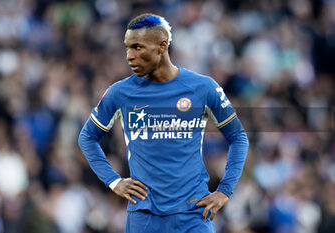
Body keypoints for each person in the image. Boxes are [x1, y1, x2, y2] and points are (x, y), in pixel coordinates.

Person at [78, 13, 249, 233]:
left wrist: (225, 190)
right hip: (145, 217)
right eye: (127, 48)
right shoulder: (120, 93)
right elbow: (87, 137)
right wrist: (114, 181)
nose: (129, 56)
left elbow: (238, 137)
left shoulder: (203, 87)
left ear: (161, 46)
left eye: (137, 47)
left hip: (194, 214)